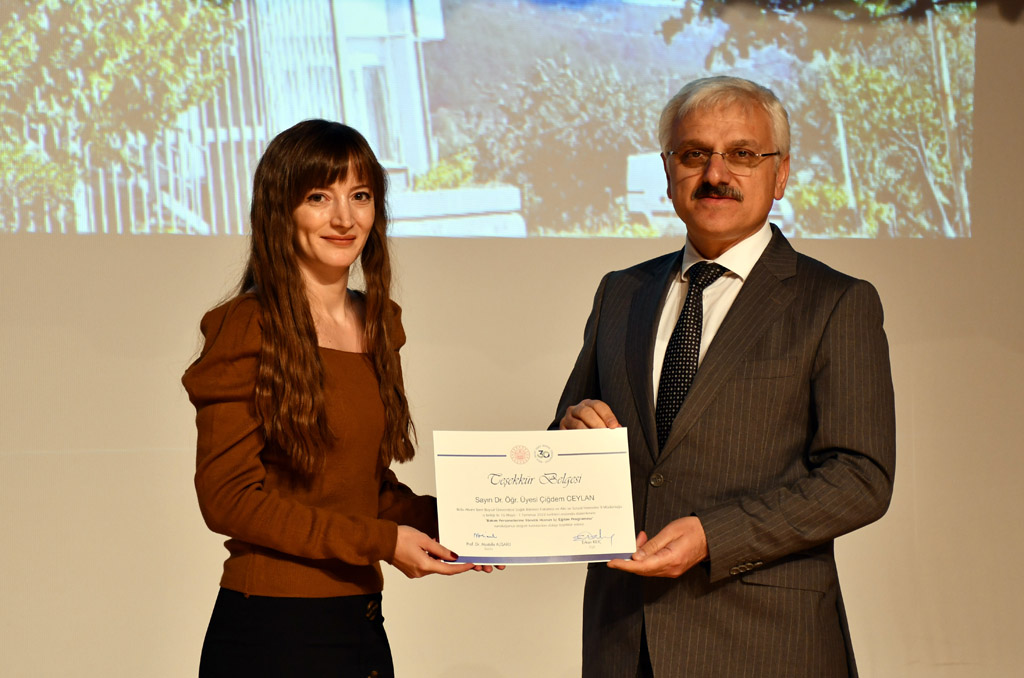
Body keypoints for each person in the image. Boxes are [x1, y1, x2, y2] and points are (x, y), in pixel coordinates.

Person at [553, 77, 896, 677]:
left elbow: (861, 477)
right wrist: (567, 435)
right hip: (623, 642)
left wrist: (715, 536)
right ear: (668, 172)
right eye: (694, 154)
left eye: (742, 154)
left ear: (780, 173)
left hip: (764, 645)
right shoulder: (621, 293)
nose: (715, 174)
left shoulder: (836, 302)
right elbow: (564, 445)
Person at [182, 120, 481, 678]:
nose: (345, 218)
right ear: (281, 210)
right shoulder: (246, 325)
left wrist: (478, 522)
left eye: (360, 196)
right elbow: (227, 499)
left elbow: (363, 488)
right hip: (273, 630)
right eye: (319, 197)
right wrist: (384, 541)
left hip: (360, 621)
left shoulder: (378, 323)